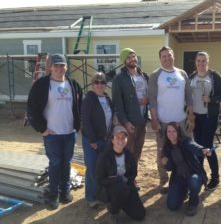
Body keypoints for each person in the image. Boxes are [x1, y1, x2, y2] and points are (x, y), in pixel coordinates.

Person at [27, 53, 82, 209]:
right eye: (56, 65)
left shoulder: (73, 84)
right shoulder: (42, 85)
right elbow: (31, 108)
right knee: (55, 163)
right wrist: (42, 129)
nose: (59, 68)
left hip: (69, 133)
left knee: (66, 163)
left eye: (62, 65)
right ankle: (53, 195)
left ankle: (65, 192)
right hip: (52, 134)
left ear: (66, 67)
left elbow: (79, 107)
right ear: (50, 67)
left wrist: (77, 127)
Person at [148, 46, 194, 192]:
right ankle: (164, 179)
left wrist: (191, 118)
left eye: (169, 55)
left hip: (181, 120)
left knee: (186, 148)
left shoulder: (182, 74)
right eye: (163, 56)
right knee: (162, 151)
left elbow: (188, 96)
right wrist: (154, 119)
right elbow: (152, 99)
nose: (166, 58)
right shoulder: (155, 75)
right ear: (160, 58)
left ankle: (187, 175)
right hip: (163, 121)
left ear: (173, 56)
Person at [189, 51, 221, 190]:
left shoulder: (214, 76)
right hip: (196, 117)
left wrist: (211, 99)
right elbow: (187, 96)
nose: (201, 63)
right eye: (199, 61)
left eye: (203, 61)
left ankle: (215, 177)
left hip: (209, 116)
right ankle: (200, 175)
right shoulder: (191, 77)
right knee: (198, 146)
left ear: (208, 61)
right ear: (195, 62)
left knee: (207, 145)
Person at [95, 126, 146, 222]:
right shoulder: (104, 156)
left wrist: (127, 181)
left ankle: (122, 203)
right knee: (122, 188)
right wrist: (117, 180)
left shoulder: (129, 154)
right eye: (117, 137)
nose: (121, 140)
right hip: (109, 189)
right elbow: (99, 179)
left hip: (126, 186)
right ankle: (113, 210)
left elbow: (133, 173)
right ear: (112, 140)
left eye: (123, 137)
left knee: (140, 214)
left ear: (126, 140)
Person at [161, 122, 211, 216]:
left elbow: (194, 146)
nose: (171, 134)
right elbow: (169, 168)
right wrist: (165, 163)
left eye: (174, 131)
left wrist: (202, 150)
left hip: (193, 174)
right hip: (179, 177)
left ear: (178, 132)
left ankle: (193, 203)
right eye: (169, 131)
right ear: (166, 133)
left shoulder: (186, 141)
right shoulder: (166, 148)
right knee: (172, 206)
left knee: (194, 181)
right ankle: (184, 190)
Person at [81, 72, 113, 208]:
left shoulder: (107, 99)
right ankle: (91, 197)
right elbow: (86, 121)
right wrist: (92, 140)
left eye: (102, 82)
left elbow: (111, 119)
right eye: (96, 82)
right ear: (92, 85)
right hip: (92, 141)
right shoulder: (88, 100)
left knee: (103, 169)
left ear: (105, 85)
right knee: (93, 169)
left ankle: (100, 194)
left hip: (105, 140)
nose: (99, 85)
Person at [112, 48, 148, 165]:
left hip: (142, 121)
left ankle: (132, 176)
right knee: (127, 151)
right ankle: (125, 178)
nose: (132, 59)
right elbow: (117, 103)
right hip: (129, 122)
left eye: (133, 56)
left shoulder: (144, 76)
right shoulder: (119, 79)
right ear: (124, 61)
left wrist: (147, 99)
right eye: (128, 57)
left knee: (138, 151)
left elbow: (151, 95)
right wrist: (125, 122)